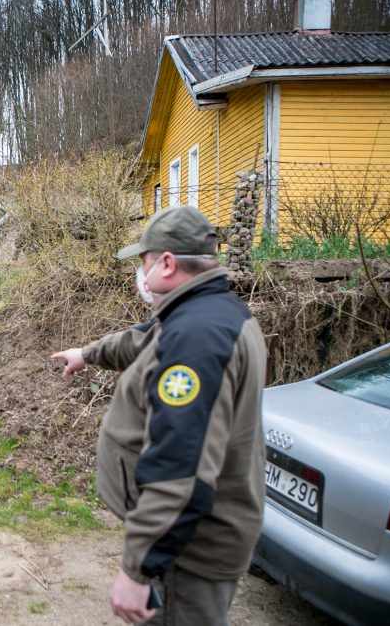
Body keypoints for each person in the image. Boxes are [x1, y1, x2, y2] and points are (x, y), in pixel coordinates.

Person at [51, 206, 266, 625]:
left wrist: (139, 568)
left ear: (167, 262)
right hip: (189, 542)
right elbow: (142, 340)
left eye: (144, 263)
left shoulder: (198, 339)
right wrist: (87, 354)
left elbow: (180, 469)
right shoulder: (208, 312)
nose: (141, 275)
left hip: (187, 554)